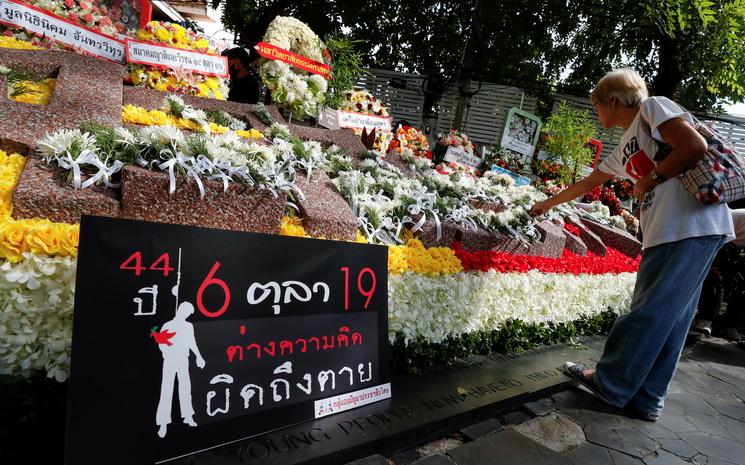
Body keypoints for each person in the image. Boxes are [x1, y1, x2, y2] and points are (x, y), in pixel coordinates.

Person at [529, 69, 735, 421]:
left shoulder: (653, 108)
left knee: (649, 310)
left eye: (596, 108)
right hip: (672, 232)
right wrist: (546, 205)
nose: (597, 116)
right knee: (672, 319)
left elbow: (694, 146)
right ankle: (647, 397)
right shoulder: (626, 144)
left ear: (612, 100)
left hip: (686, 227)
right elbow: (590, 181)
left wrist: (649, 180)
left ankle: (611, 382)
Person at [155, 301, 206, 438]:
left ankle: (188, 416)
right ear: (182, 311)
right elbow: (161, 343)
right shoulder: (168, 325)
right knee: (167, 389)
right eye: (188, 313)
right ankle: (163, 423)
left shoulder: (188, 326)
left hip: (183, 360)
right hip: (170, 360)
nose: (188, 316)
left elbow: (191, 342)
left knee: (185, 388)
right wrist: (168, 351)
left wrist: (199, 357)